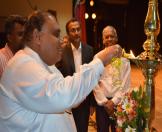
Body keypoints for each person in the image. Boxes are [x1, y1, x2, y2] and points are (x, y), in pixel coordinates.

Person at [0, 11, 122, 132]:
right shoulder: (22, 65)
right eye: (56, 34)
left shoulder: (46, 65)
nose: (60, 41)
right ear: (37, 36)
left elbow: (69, 98)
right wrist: (100, 61)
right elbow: (63, 95)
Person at [57, 18, 94, 132]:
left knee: (82, 129)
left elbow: (92, 78)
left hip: (84, 100)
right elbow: (59, 76)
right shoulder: (62, 52)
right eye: (73, 30)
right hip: (68, 101)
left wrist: (92, 103)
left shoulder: (89, 50)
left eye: (78, 29)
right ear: (68, 34)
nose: (76, 32)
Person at [93, 25, 131, 132]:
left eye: (112, 36)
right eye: (106, 37)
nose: (109, 39)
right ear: (103, 40)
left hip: (118, 104)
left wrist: (113, 102)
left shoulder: (124, 60)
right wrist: (105, 102)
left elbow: (125, 85)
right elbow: (94, 83)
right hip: (102, 104)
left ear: (117, 38)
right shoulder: (97, 58)